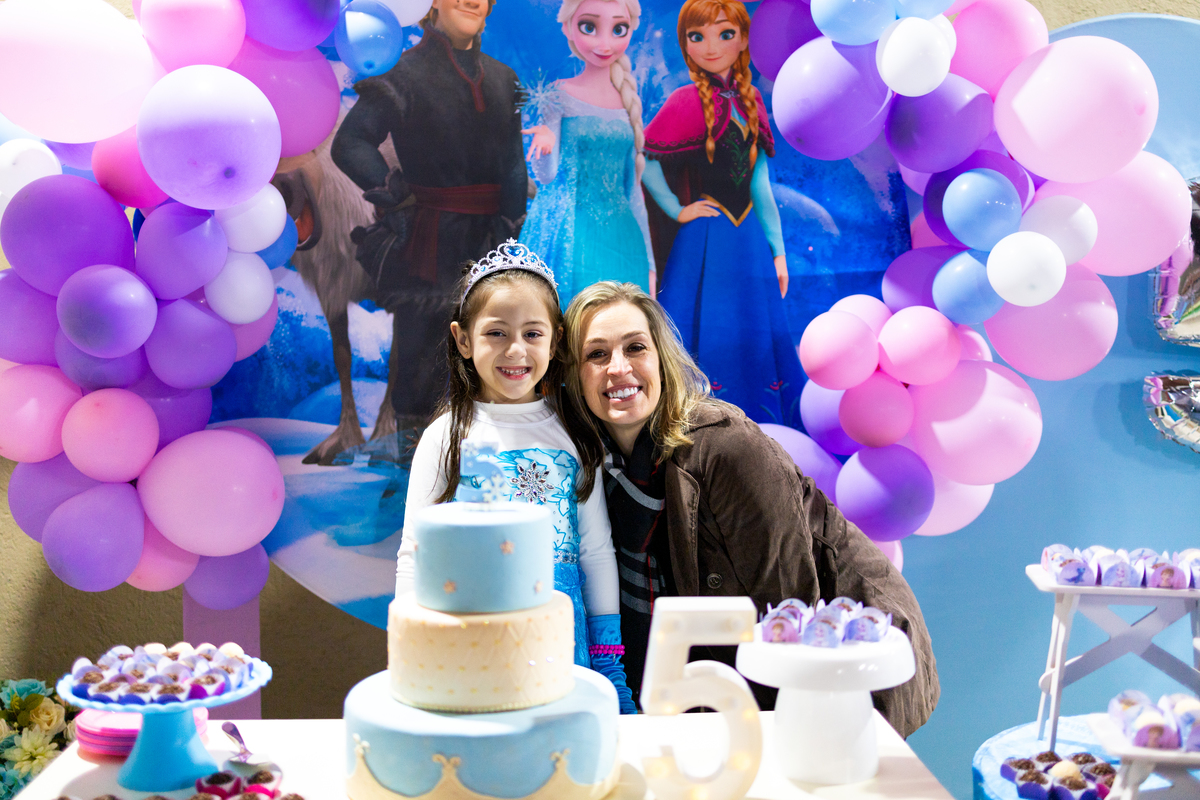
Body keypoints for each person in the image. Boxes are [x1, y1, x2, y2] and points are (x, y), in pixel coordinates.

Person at [562, 281, 939, 737]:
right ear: (574, 374)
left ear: (661, 358)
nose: (619, 368)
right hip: (721, 676)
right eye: (596, 354)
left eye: (635, 347)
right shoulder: (592, 465)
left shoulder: (726, 446)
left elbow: (789, 603)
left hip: (842, 649)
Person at [395, 241, 636, 713]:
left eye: (532, 333)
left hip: (563, 644)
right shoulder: (446, 436)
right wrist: (411, 650)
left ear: (555, 340)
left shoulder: (575, 433)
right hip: (470, 636)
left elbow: (594, 550)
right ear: (463, 340)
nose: (516, 350)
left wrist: (609, 660)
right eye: (496, 333)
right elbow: (415, 550)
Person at [331, 0, 528, 432]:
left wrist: (512, 234)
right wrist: (396, 198)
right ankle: (414, 465)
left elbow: (514, 164)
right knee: (422, 366)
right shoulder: (402, 73)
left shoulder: (504, 78)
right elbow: (350, 144)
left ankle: (478, 464)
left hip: (493, 246)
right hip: (429, 247)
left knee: (492, 361)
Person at [640, 0, 804, 428]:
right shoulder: (684, 100)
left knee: (753, 327)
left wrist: (778, 250)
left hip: (748, 238)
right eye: (697, 37)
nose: (711, 47)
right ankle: (701, 426)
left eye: (725, 34)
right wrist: (678, 209)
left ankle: (760, 427)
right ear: (685, 45)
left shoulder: (752, 101)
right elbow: (647, 162)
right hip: (706, 238)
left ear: (743, 39)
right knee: (704, 327)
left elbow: (760, 185)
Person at [518, 0, 654, 305]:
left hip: (622, 238)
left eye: (618, 29)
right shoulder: (560, 93)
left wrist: (650, 264)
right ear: (568, 27)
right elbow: (547, 176)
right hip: (568, 233)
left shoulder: (628, 102)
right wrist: (545, 145)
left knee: (619, 318)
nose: (605, 43)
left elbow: (632, 190)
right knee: (568, 315)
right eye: (589, 27)